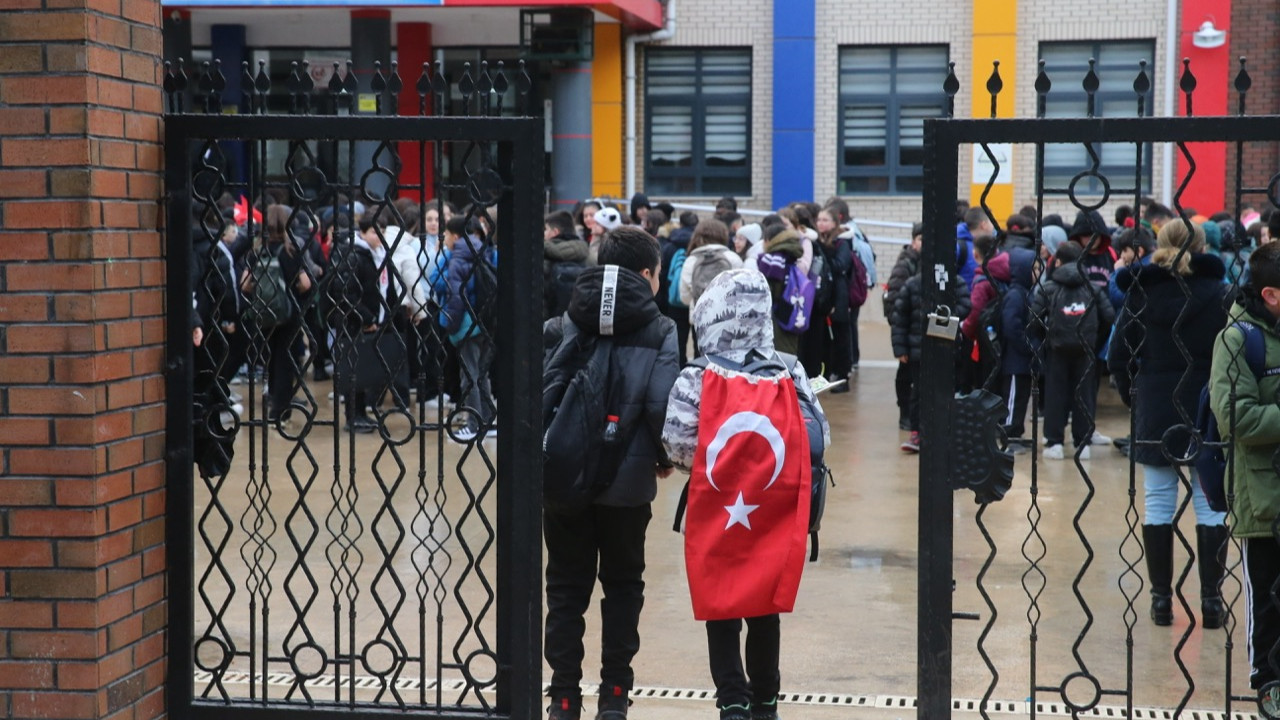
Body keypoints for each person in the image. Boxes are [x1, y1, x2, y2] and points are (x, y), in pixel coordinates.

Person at [661, 268, 828, 720]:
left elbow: (676, 445)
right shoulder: (790, 369)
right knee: (763, 607)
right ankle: (767, 703)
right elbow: (820, 436)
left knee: (722, 605)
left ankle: (732, 701)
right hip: (775, 510)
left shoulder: (697, 375)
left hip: (717, 508)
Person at [542, 225, 679, 720]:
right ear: (645, 274)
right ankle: (615, 697)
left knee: (564, 587)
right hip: (626, 483)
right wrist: (664, 458)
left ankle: (562, 697)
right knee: (623, 585)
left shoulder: (566, 319)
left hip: (564, 478)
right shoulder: (661, 328)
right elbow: (662, 407)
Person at [1110, 220, 1228, 628]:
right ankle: (1211, 603)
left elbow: (1117, 354)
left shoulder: (1141, 292)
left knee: (1158, 499)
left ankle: (1161, 602)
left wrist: (1134, 397)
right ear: (1198, 246)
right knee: (1209, 500)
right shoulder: (1219, 293)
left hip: (1156, 403)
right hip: (1206, 403)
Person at [1210, 241, 1280, 713]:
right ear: (1271, 294)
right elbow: (1234, 417)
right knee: (1269, 600)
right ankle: (1269, 683)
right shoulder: (1238, 340)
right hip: (1263, 494)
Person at [1029, 242, 1115, 459]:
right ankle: (1082, 444)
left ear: (1057, 262)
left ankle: (1054, 443)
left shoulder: (1048, 287)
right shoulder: (1093, 288)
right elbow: (1108, 317)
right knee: (1084, 394)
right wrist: (1093, 342)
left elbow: (1034, 319)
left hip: (1056, 349)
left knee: (1055, 394)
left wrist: (1048, 339)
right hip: (1086, 350)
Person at [245, 204, 313, 423]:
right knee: (286, 361)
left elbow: (244, 284)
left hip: (264, 313)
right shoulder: (291, 250)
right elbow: (306, 283)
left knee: (270, 358)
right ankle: (280, 412)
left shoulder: (256, 250)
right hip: (288, 312)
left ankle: (270, 397)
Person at [438, 215, 497, 443]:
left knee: (469, 375)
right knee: (480, 373)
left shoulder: (458, 257)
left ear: (454, 236)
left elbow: (455, 297)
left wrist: (451, 326)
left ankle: (474, 424)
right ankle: (488, 420)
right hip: (483, 322)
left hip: (465, 324)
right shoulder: (483, 250)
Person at [884, 223, 922, 429]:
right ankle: (905, 412)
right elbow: (895, 303)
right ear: (913, 241)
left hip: (920, 331)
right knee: (906, 373)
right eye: (920, 239)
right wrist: (899, 332)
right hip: (908, 331)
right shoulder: (905, 265)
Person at [678, 218, 743, 312]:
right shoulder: (733, 258)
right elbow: (741, 293)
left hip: (700, 321)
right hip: (729, 318)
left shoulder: (691, 261)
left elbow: (685, 298)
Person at [543, 210, 590, 320]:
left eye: (546, 229)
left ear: (555, 232)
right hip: (579, 325)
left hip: (549, 326)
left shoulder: (543, 258)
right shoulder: (589, 256)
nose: (544, 234)